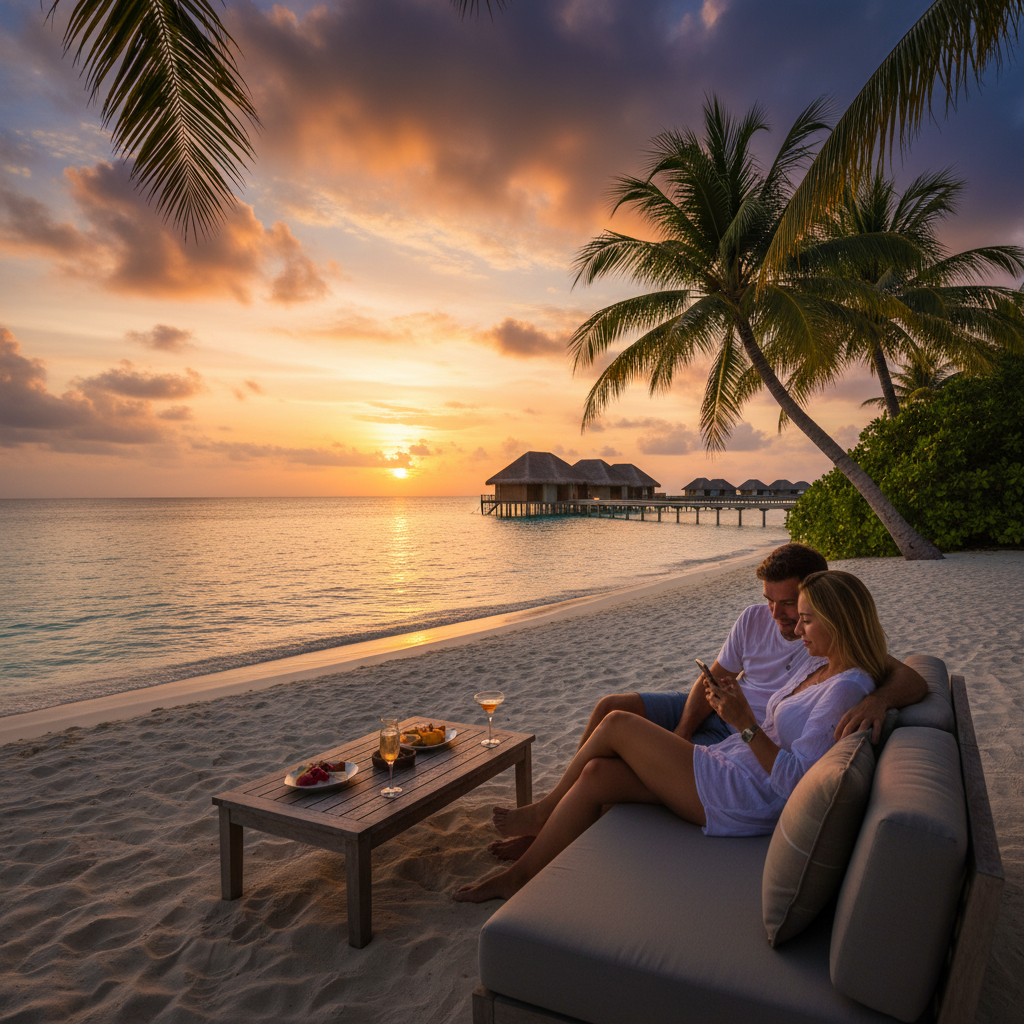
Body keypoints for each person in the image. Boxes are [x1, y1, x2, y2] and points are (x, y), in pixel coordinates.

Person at [453, 570, 886, 903]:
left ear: (838, 621)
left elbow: (798, 784)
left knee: (618, 722)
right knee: (599, 775)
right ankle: (523, 874)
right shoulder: (821, 666)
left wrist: (743, 722)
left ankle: (540, 818)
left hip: (743, 795)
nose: (799, 630)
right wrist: (737, 715)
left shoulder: (846, 688)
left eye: (807, 620)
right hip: (731, 762)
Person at [489, 543, 926, 861]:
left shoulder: (829, 650)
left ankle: (545, 816)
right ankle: (544, 840)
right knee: (609, 715)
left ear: (818, 600)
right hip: (728, 730)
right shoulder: (777, 632)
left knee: (617, 726)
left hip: (743, 742)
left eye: (792, 607)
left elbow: (902, 674)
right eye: (769, 601)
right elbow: (717, 675)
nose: (779, 617)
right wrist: (683, 732)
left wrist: (880, 700)